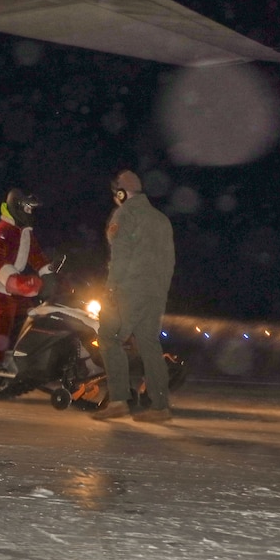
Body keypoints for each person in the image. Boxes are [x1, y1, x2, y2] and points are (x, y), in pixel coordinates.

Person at [92, 170, 176, 423]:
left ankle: (118, 400)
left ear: (120, 192)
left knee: (108, 336)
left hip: (130, 289)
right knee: (149, 343)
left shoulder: (125, 213)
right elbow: (169, 260)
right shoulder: (161, 219)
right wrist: (159, 289)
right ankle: (160, 406)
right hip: (156, 291)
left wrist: (111, 288)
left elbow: (121, 256)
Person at [0, 189, 53, 371]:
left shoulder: (25, 233)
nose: (29, 213)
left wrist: (50, 273)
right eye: (26, 209)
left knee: (31, 315)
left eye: (31, 210)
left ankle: (19, 355)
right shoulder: (1, 231)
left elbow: (36, 255)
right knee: (4, 314)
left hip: (14, 285)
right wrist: (12, 280)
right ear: (16, 207)